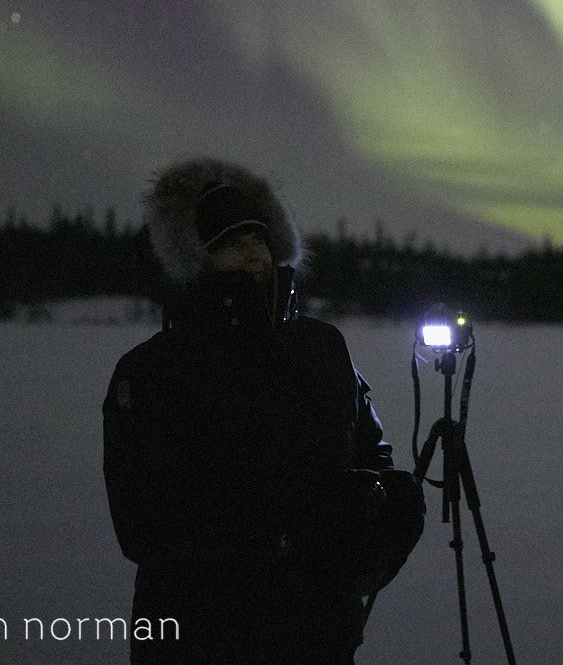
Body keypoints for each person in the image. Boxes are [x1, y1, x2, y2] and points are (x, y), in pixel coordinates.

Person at [102, 158, 424, 664]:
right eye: (231, 242)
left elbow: (365, 450)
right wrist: (291, 533)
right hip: (198, 637)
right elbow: (145, 522)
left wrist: (384, 516)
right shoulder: (153, 372)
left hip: (316, 633)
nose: (253, 253)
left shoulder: (321, 347)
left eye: (259, 237)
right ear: (194, 259)